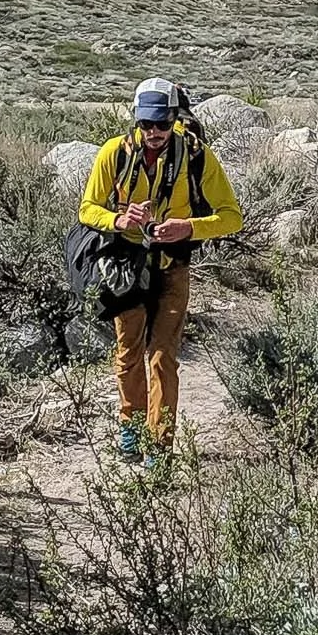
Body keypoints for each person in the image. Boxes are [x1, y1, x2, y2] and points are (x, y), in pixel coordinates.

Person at [75, 78, 244, 460]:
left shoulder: (196, 155)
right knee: (128, 352)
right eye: (146, 124)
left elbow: (232, 217)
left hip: (173, 267)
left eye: (162, 124)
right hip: (127, 269)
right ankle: (131, 427)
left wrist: (189, 228)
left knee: (163, 357)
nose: (154, 132)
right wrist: (119, 220)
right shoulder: (114, 153)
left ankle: (159, 445)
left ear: (174, 118)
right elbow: (88, 209)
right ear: (136, 120)